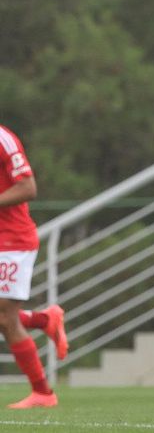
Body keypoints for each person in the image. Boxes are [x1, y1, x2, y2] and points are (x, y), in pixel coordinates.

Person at [0, 124, 70, 409]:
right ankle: (43, 320)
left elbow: (27, 188)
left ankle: (43, 393)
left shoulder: (3, 139)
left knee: (5, 318)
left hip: (11, 241)